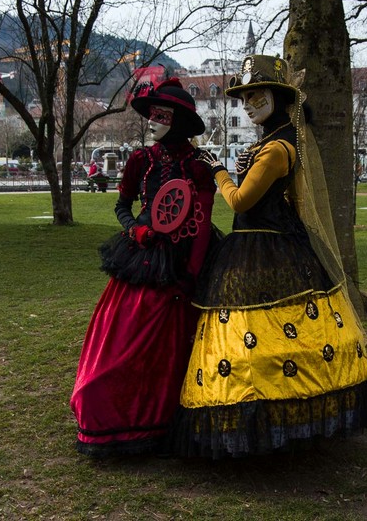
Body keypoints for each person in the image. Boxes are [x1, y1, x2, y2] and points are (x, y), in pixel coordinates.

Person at [171, 54, 367, 459]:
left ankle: (273, 421)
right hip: (262, 244)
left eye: (256, 95)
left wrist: (218, 170)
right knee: (256, 337)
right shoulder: (270, 142)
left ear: (279, 98)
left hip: (264, 246)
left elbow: (240, 201)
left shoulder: (277, 148)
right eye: (244, 98)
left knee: (264, 334)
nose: (248, 104)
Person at [70, 76, 217, 456]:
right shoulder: (141, 160)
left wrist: (193, 273)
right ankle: (115, 413)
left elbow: (201, 221)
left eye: (160, 116)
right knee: (124, 338)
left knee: (175, 343)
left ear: (178, 121)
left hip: (183, 263)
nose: (151, 122)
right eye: (150, 115)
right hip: (144, 258)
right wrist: (135, 231)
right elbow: (122, 206)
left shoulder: (199, 167)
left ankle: (168, 418)